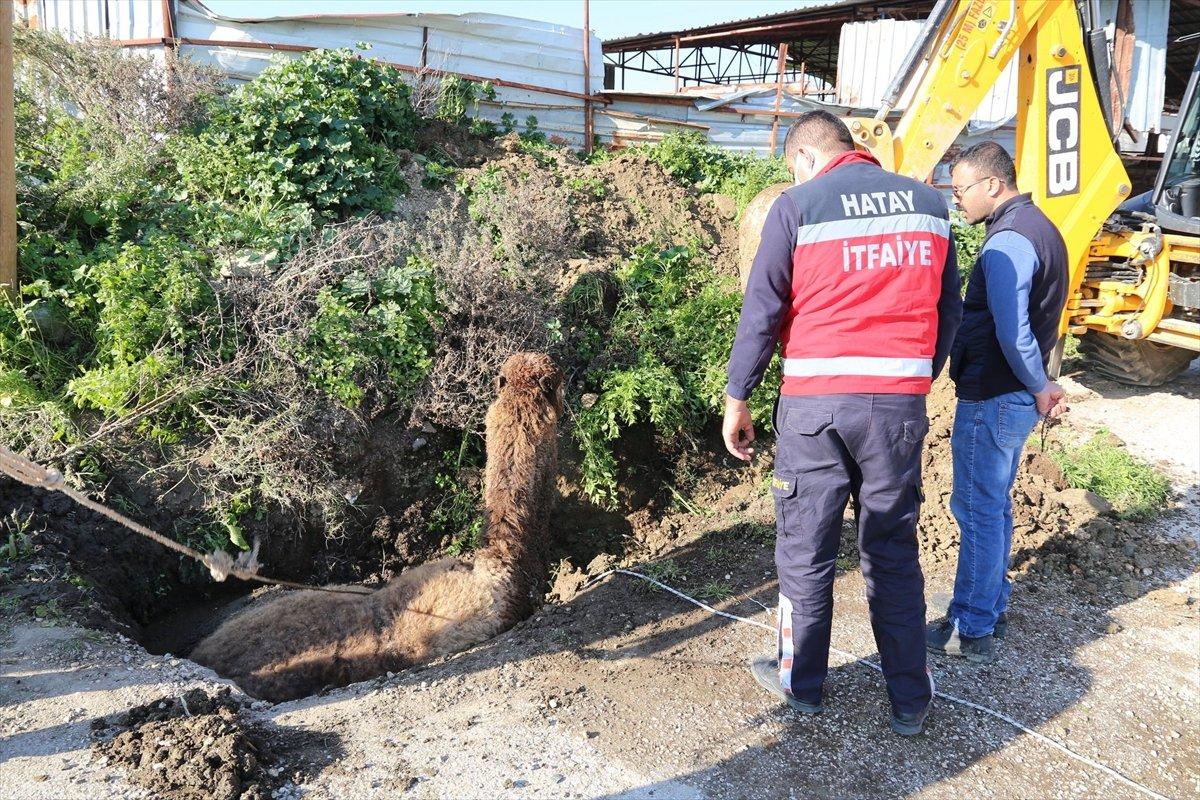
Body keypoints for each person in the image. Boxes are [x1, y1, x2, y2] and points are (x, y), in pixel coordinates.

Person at [722, 110, 962, 736]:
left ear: (805, 156)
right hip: (898, 409)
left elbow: (764, 308)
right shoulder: (932, 206)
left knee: (805, 552)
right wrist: (914, 379)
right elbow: (948, 311)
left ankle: (802, 685)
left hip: (815, 409)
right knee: (892, 553)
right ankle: (909, 700)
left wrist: (737, 396)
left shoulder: (798, 205)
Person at [926, 142, 1069, 665]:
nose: (957, 200)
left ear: (992, 184)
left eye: (961, 189)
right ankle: (989, 606)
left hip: (996, 394)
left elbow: (1013, 330)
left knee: (978, 509)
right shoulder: (1039, 228)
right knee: (994, 505)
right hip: (1012, 396)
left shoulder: (1008, 240)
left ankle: (970, 626)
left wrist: (1038, 384)